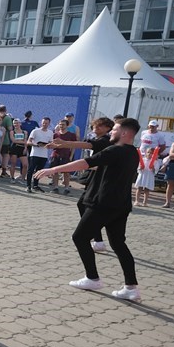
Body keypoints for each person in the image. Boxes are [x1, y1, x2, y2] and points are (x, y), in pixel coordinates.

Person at [34, 118, 143, 303]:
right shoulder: (132, 152)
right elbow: (97, 164)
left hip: (103, 203)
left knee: (80, 237)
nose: (111, 133)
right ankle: (131, 288)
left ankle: (92, 278)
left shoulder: (115, 149)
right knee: (118, 244)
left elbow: (85, 162)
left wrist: (52, 170)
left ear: (124, 133)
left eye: (114, 129)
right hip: (120, 205)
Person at [50, 116, 115, 251]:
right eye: (94, 126)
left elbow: (86, 145)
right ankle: (96, 238)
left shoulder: (105, 140)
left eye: (99, 126)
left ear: (108, 128)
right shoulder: (100, 139)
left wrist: (64, 143)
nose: (95, 129)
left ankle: (96, 239)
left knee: (90, 207)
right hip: (94, 176)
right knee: (83, 204)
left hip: (101, 178)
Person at [135, 120, 169, 207]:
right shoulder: (144, 132)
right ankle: (137, 201)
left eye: (153, 126)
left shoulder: (159, 135)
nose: (151, 127)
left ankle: (145, 202)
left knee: (147, 187)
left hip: (152, 159)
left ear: (157, 126)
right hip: (142, 156)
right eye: (150, 126)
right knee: (139, 186)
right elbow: (141, 143)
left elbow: (163, 146)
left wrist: (155, 154)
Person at [25, 117, 53, 192]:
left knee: (39, 171)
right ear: (41, 123)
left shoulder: (50, 132)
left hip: (44, 155)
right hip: (34, 154)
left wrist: (48, 145)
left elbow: (51, 143)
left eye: (46, 123)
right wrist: (36, 145)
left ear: (49, 124)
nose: (44, 124)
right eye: (43, 123)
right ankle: (28, 186)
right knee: (31, 170)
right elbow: (28, 142)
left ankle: (35, 185)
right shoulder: (35, 131)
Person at [162, 133, 174, 209]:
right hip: (172, 166)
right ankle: (167, 203)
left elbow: (173, 156)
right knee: (170, 184)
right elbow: (171, 155)